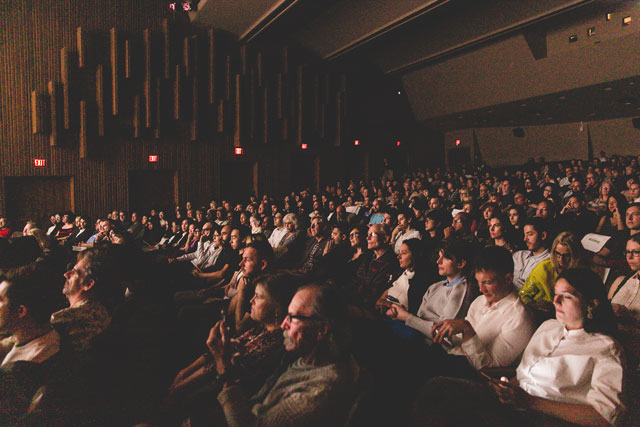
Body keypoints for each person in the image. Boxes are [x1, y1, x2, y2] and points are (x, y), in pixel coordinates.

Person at [416, 268, 624, 426]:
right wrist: (506, 387)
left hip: (543, 417)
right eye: (556, 294)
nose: (556, 301)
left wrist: (530, 402)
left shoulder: (605, 348)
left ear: (591, 303)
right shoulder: (549, 327)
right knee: (437, 387)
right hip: (514, 401)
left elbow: (604, 416)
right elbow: (523, 374)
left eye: (567, 297)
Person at [216, 284, 359, 426]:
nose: (284, 324)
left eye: (292, 317)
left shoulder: (316, 395)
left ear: (321, 329)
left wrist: (226, 373)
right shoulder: (304, 356)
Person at [164, 272, 298, 421]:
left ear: (277, 307)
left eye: (258, 297)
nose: (251, 300)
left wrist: (183, 384)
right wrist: (184, 373)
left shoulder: (275, 346)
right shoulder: (261, 327)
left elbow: (225, 369)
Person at [432, 246, 536, 371]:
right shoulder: (480, 301)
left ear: (508, 279)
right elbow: (459, 342)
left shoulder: (519, 318)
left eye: (487, 283)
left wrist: (467, 330)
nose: (481, 290)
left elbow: (488, 367)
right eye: (478, 282)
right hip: (451, 359)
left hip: (474, 378)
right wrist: (447, 336)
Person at [385, 239, 474, 342]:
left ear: (460, 264)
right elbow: (419, 318)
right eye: (439, 256)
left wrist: (406, 317)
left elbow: (443, 334)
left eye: (445, 258)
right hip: (416, 335)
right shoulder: (435, 287)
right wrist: (399, 314)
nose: (438, 261)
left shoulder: (462, 289)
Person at [50, 247, 120, 351]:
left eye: (74, 272)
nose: (66, 274)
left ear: (88, 284)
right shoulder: (103, 312)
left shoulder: (61, 320)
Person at [519, 231, 586, 313]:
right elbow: (523, 294)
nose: (561, 259)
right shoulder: (544, 268)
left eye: (567, 255)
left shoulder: (582, 274)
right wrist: (535, 305)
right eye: (558, 254)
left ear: (575, 255)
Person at [511, 218, 551, 290]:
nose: (525, 239)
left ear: (543, 236)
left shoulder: (549, 262)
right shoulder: (518, 255)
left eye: (530, 234)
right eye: (524, 235)